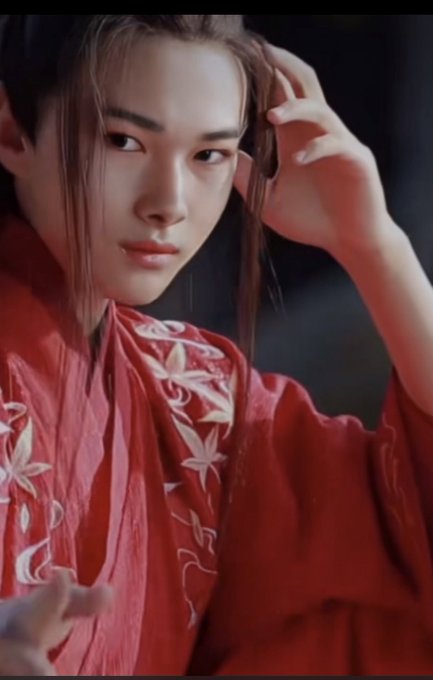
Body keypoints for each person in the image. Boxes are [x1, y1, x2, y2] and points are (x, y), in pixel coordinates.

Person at [1, 14, 433, 676]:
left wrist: (373, 245)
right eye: (123, 141)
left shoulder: (194, 406)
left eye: (208, 155)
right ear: (12, 130)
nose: (168, 202)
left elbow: (409, 539)